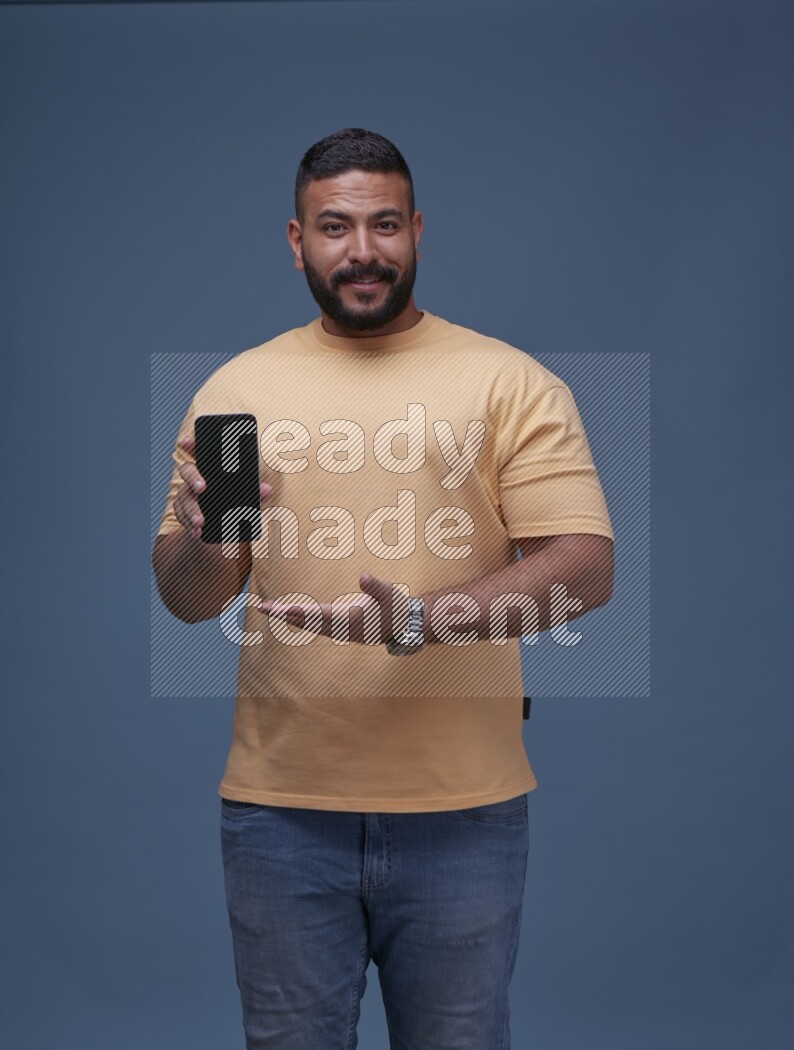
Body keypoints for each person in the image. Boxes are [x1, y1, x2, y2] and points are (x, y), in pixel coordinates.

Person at [152, 127, 615, 1050]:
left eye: (385, 225)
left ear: (418, 231)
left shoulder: (507, 382)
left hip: (464, 817)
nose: (362, 250)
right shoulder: (241, 393)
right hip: (281, 817)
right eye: (336, 226)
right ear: (298, 241)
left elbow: (586, 568)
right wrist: (205, 539)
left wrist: (422, 623)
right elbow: (197, 598)